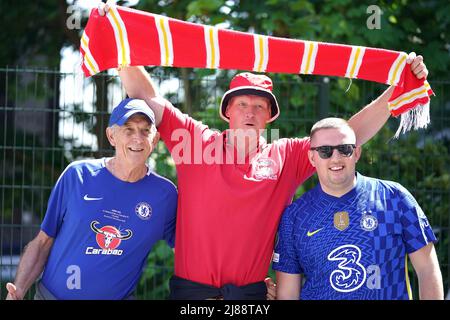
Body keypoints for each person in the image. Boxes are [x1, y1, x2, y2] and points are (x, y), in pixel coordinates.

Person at [98, 2, 429, 300]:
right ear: (227, 112)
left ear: (270, 116)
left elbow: (347, 135)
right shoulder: (195, 141)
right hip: (191, 297)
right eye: (241, 103)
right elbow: (148, 97)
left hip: (251, 298)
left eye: (260, 106)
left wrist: (397, 92)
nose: (250, 112)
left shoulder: (285, 156)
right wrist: (117, 41)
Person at [5, 98, 177, 300]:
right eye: (128, 130)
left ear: (155, 140)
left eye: (145, 131)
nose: (137, 139)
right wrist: (18, 292)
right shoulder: (77, 176)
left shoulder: (164, 195)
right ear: (111, 136)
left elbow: (186, 250)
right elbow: (42, 243)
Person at [273, 117, 444, 300]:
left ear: (357, 153)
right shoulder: (295, 216)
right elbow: (288, 294)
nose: (336, 158)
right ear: (311, 157)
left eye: (345, 149)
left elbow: (427, 270)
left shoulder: (394, 198)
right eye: (325, 151)